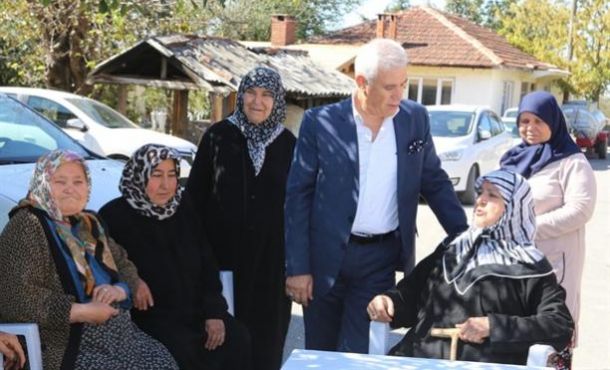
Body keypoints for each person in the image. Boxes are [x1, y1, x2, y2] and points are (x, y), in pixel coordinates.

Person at [284, 38, 468, 354]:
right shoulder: (321, 123)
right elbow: (298, 195)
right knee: (321, 353)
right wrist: (297, 267)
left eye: (404, 84)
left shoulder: (415, 119)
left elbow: (434, 181)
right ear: (362, 83)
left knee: (360, 351)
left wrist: (466, 237)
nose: (399, 95)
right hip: (324, 259)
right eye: (389, 87)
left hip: (379, 260)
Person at [367, 169, 574, 365]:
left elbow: (558, 325)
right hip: (420, 359)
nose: (480, 200)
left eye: (492, 195)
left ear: (514, 208)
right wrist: (388, 301)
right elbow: (410, 296)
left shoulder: (531, 266)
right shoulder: (453, 248)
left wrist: (494, 327)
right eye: (480, 192)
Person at [0, 150, 178, 370]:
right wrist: (83, 311)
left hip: (122, 337)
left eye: (78, 181)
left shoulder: (89, 222)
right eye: (60, 181)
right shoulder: (28, 224)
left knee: (163, 361)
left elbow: (123, 264)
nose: (70, 189)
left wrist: (120, 290)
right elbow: (16, 298)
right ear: (42, 183)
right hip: (69, 342)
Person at [99, 144, 251, 370]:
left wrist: (214, 313)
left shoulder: (183, 207)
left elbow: (207, 262)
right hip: (148, 316)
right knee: (180, 350)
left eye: (172, 175)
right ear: (139, 175)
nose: (166, 184)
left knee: (238, 338)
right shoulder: (114, 215)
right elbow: (107, 264)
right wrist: (133, 281)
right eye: (157, 175)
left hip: (195, 310)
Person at [186, 66, 295, 370]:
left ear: (278, 101)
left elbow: (298, 209)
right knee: (222, 344)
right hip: (221, 264)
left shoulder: (288, 145)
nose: (257, 101)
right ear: (241, 94)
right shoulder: (218, 137)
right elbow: (193, 200)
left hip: (270, 268)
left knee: (266, 346)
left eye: (266, 95)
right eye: (251, 92)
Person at [500, 91, 596, 366]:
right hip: (511, 267)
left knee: (547, 343)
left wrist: (528, 228)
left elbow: (580, 210)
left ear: (553, 122)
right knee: (510, 341)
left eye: (538, 121)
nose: (529, 128)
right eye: (524, 121)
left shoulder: (572, 162)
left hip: (554, 265)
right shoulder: (512, 158)